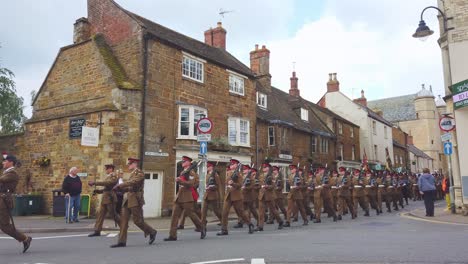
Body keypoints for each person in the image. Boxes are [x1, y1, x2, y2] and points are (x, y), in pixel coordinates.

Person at [111, 158, 157, 247]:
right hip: (127, 199)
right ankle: (121, 242)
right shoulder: (132, 174)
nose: (128, 165)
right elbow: (130, 187)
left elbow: (133, 182)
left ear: (135, 164)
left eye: (130, 164)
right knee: (123, 221)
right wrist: (121, 189)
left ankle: (152, 231)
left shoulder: (140, 173)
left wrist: (120, 185)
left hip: (135, 199)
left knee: (138, 221)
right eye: (128, 164)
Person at [165, 156, 205, 241]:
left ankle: (202, 227)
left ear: (189, 162)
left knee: (191, 214)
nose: (183, 162)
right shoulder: (183, 171)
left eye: (185, 161)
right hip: (179, 196)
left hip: (187, 196)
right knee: (174, 216)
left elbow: (191, 184)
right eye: (182, 161)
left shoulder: (191, 172)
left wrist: (180, 181)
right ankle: (172, 235)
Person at [0, 155, 32, 253]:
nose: (3, 163)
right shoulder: (6, 172)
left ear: (11, 162)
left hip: (3, 202)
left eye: (5, 161)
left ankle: (25, 239)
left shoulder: (12, 173)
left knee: (5, 226)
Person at [217, 159, 255, 236]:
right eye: (230, 164)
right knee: (224, 213)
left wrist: (233, 183)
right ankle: (224, 229)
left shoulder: (239, 174)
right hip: (228, 195)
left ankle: (250, 224)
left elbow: (240, 185)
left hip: (236, 196)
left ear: (236, 165)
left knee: (241, 213)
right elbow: (226, 183)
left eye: (233, 164)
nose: (231, 165)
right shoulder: (228, 173)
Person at [88, 164, 120, 237]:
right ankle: (97, 230)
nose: (106, 170)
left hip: (110, 198)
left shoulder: (114, 176)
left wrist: (95, 183)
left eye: (107, 169)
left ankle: (123, 227)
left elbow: (109, 184)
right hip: (105, 198)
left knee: (113, 215)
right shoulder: (108, 176)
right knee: (100, 215)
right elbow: (106, 188)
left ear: (111, 169)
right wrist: (98, 191)